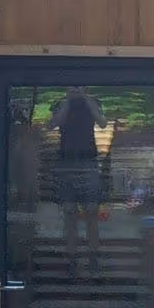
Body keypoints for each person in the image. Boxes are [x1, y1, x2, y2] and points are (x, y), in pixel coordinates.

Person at [51, 87, 105, 274]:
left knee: (91, 212)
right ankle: (72, 258)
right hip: (67, 163)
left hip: (88, 163)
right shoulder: (61, 104)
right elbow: (54, 123)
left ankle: (93, 257)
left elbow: (103, 123)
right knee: (69, 212)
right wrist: (67, 101)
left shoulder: (93, 103)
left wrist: (87, 100)